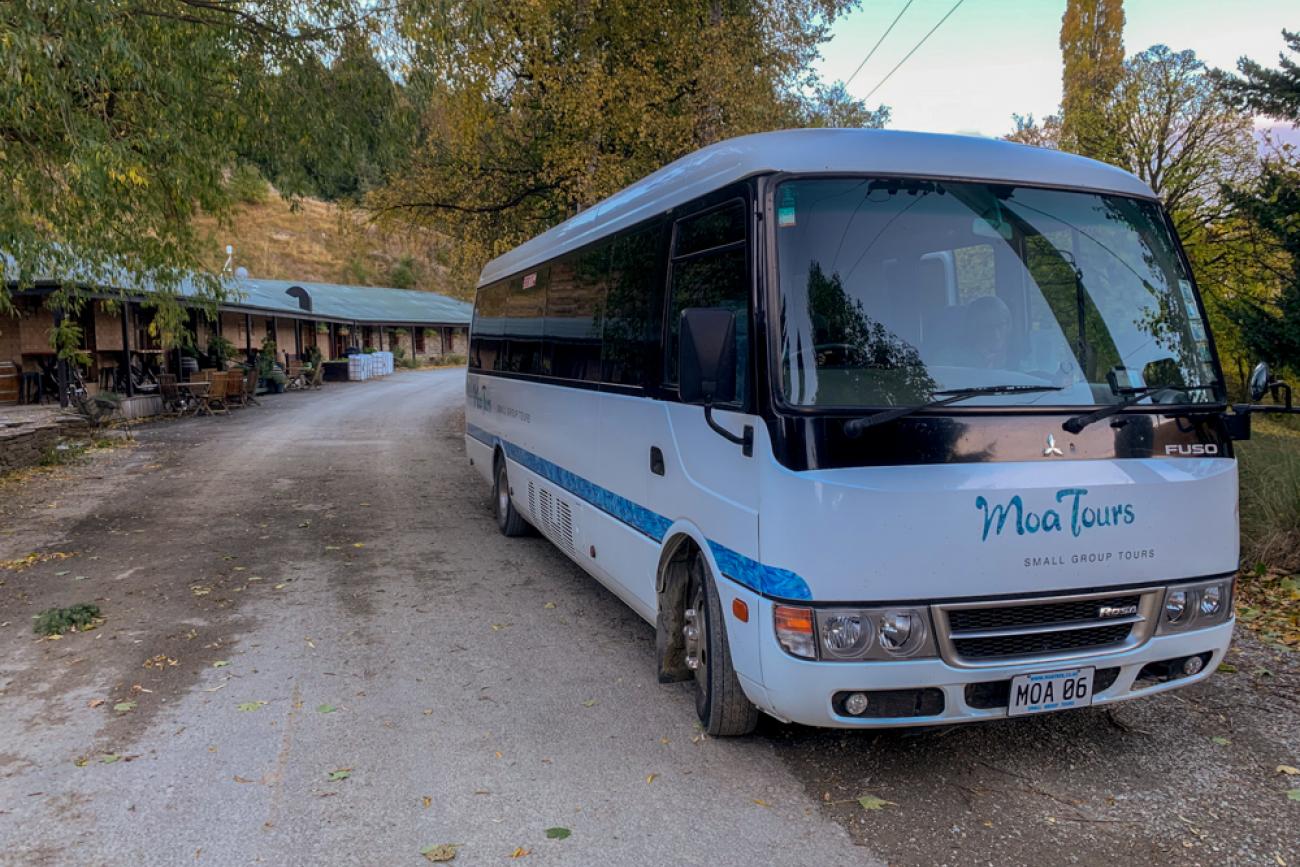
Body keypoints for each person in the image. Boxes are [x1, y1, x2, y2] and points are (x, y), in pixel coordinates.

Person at [966, 294, 1013, 369]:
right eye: (988, 327)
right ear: (974, 328)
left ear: (1008, 326)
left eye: (1001, 325)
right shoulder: (952, 359)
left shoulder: (1022, 357)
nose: (996, 335)